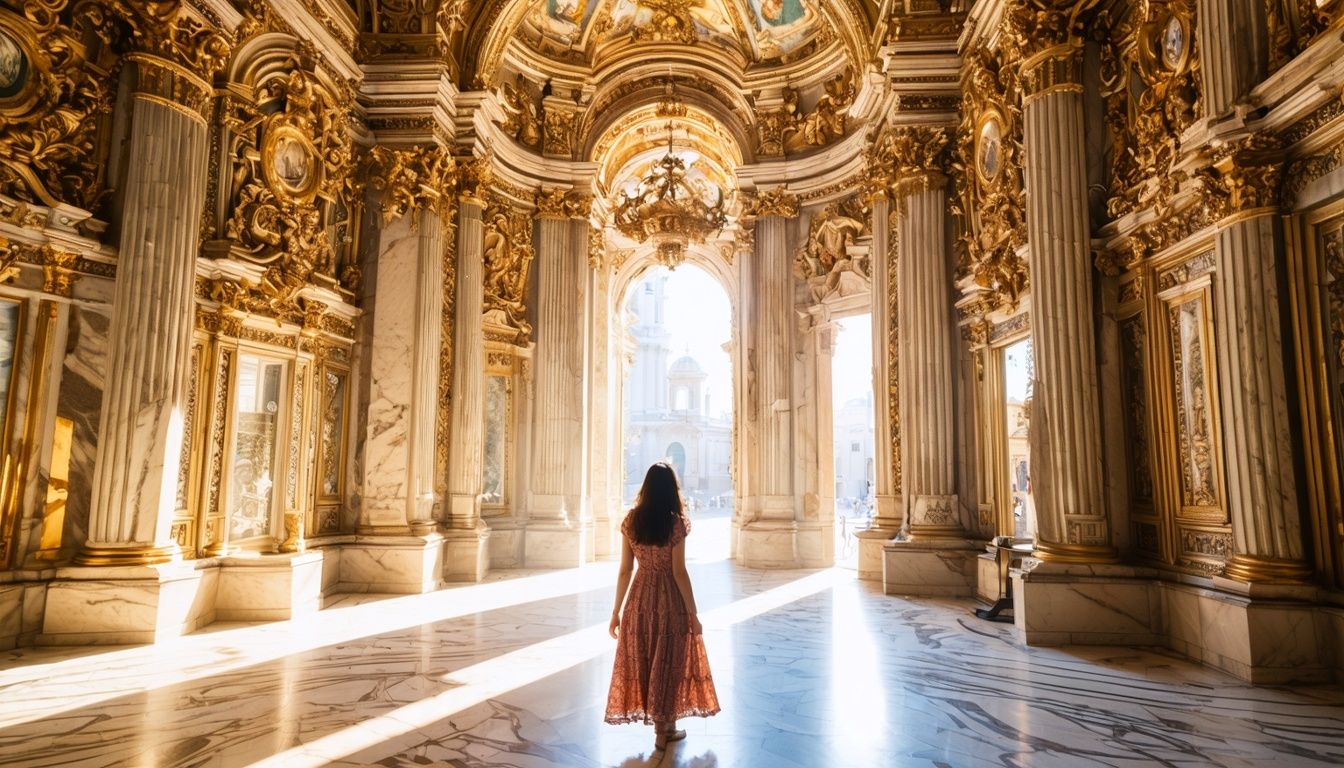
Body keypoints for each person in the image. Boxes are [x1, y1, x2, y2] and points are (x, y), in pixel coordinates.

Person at [605, 462, 720, 751]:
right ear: (672, 490)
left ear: (645, 489)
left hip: (640, 600)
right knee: (668, 661)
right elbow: (679, 571)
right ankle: (663, 729)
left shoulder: (631, 521)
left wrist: (616, 612)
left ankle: (663, 728)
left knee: (646, 659)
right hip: (669, 599)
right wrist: (693, 613)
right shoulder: (676, 523)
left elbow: (624, 570)